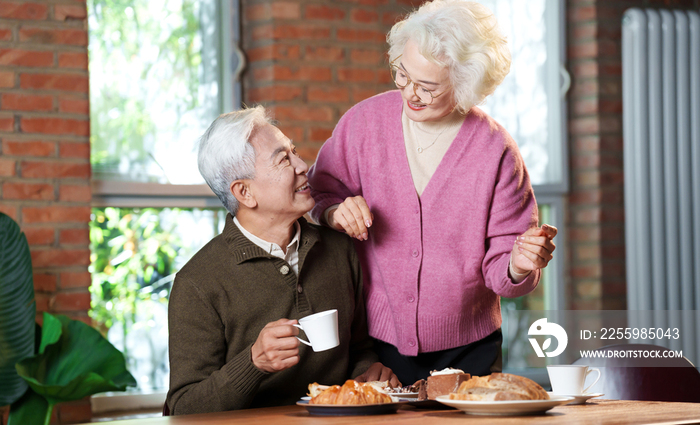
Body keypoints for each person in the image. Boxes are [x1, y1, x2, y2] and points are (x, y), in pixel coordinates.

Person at [307, 0, 557, 385]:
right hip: (372, 342)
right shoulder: (364, 123)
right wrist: (334, 211)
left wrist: (519, 264)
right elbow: (317, 191)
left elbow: (505, 266)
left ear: (465, 85)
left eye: (427, 87)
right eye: (401, 75)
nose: (410, 93)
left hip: (469, 347)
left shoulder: (497, 151)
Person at [166, 106, 398, 415]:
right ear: (245, 192)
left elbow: (358, 349)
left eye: (295, 152)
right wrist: (253, 363)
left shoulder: (340, 249)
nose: (303, 166)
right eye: (283, 159)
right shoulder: (197, 283)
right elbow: (183, 409)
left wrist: (369, 372)